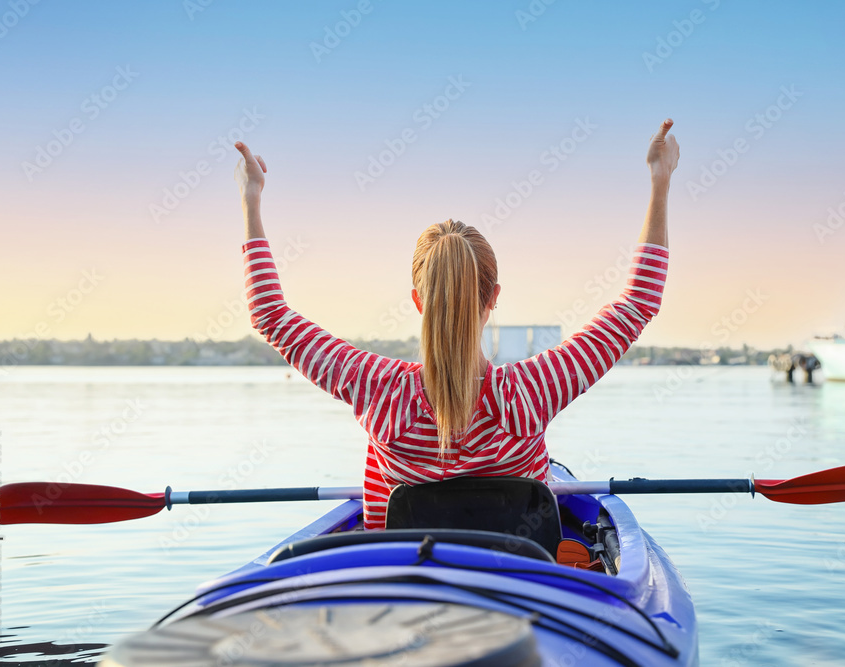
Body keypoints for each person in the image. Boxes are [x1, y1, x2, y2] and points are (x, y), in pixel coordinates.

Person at [233, 119, 679, 530]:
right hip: (516, 586)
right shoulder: (535, 390)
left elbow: (269, 313)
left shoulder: (376, 389)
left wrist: (251, 200)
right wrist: (660, 183)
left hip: (410, 587)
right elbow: (638, 302)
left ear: (417, 301)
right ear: (494, 299)